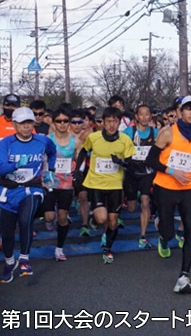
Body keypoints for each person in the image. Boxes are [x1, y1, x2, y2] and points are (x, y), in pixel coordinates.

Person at [145, 95, 191, 294]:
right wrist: (172, 171)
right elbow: (151, 160)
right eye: (188, 109)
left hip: (188, 189)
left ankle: (184, 275)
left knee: (190, 230)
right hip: (165, 187)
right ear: (180, 112)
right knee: (168, 232)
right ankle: (163, 236)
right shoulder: (167, 133)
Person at [0, 107, 56, 283]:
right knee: (6, 233)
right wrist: (16, 165)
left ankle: (24, 258)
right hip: (8, 190)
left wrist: (50, 170)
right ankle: (9, 263)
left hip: (32, 187)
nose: (26, 126)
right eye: (22, 123)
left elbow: (52, 153)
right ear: (15, 124)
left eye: (29, 122)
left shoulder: (42, 141)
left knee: (25, 219)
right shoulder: (6, 143)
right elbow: (1, 167)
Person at [75, 107, 136, 264]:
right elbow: (83, 151)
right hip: (96, 183)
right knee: (102, 218)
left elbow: (131, 162)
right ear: (102, 122)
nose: (111, 125)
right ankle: (97, 221)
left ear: (119, 122)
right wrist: (78, 170)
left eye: (115, 121)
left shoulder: (124, 140)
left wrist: (121, 162)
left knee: (113, 221)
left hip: (115, 184)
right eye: (108, 121)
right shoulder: (93, 137)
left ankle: (108, 248)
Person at [41, 108, 77, 261]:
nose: (62, 124)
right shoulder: (46, 139)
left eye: (65, 121)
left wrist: (77, 169)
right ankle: (50, 221)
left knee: (62, 216)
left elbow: (78, 158)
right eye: (59, 121)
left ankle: (59, 248)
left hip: (66, 184)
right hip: (49, 181)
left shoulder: (75, 140)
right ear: (54, 123)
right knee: (49, 217)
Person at [123, 104, 158, 249]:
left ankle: (142, 235)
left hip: (147, 173)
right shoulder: (128, 132)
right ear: (136, 117)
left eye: (147, 114)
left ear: (151, 116)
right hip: (131, 172)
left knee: (145, 201)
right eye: (141, 114)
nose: (144, 117)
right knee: (131, 208)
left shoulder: (156, 133)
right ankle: (134, 197)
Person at [0, 94, 21, 169]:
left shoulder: (24, 124)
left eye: (14, 106)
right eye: (8, 105)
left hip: (17, 167)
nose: (10, 108)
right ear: (3, 106)